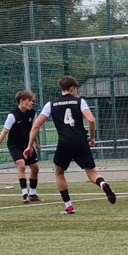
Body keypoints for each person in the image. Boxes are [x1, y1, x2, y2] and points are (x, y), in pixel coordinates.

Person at [23, 76, 116, 215]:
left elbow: (36, 125)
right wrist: (92, 138)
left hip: (64, 142)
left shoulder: (51, 104)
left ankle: (69, 206)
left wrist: (30, 145)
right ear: (72, 89)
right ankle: (103, 184)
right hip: (81, 141)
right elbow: (91, 119)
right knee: (92, 173)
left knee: (59, 173)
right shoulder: (80, 102)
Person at [0, 90, 42, 204]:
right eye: (29, 100)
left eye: (32, 101)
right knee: (21, 165)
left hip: (27, 144)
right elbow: (3, 133)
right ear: (21, 101)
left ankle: (32, 194)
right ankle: (24, 194)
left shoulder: (33, 113)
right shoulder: (12, 115)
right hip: (15, 145)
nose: (31, 103)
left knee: (35, 168)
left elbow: (33, 130)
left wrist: (36, 143)